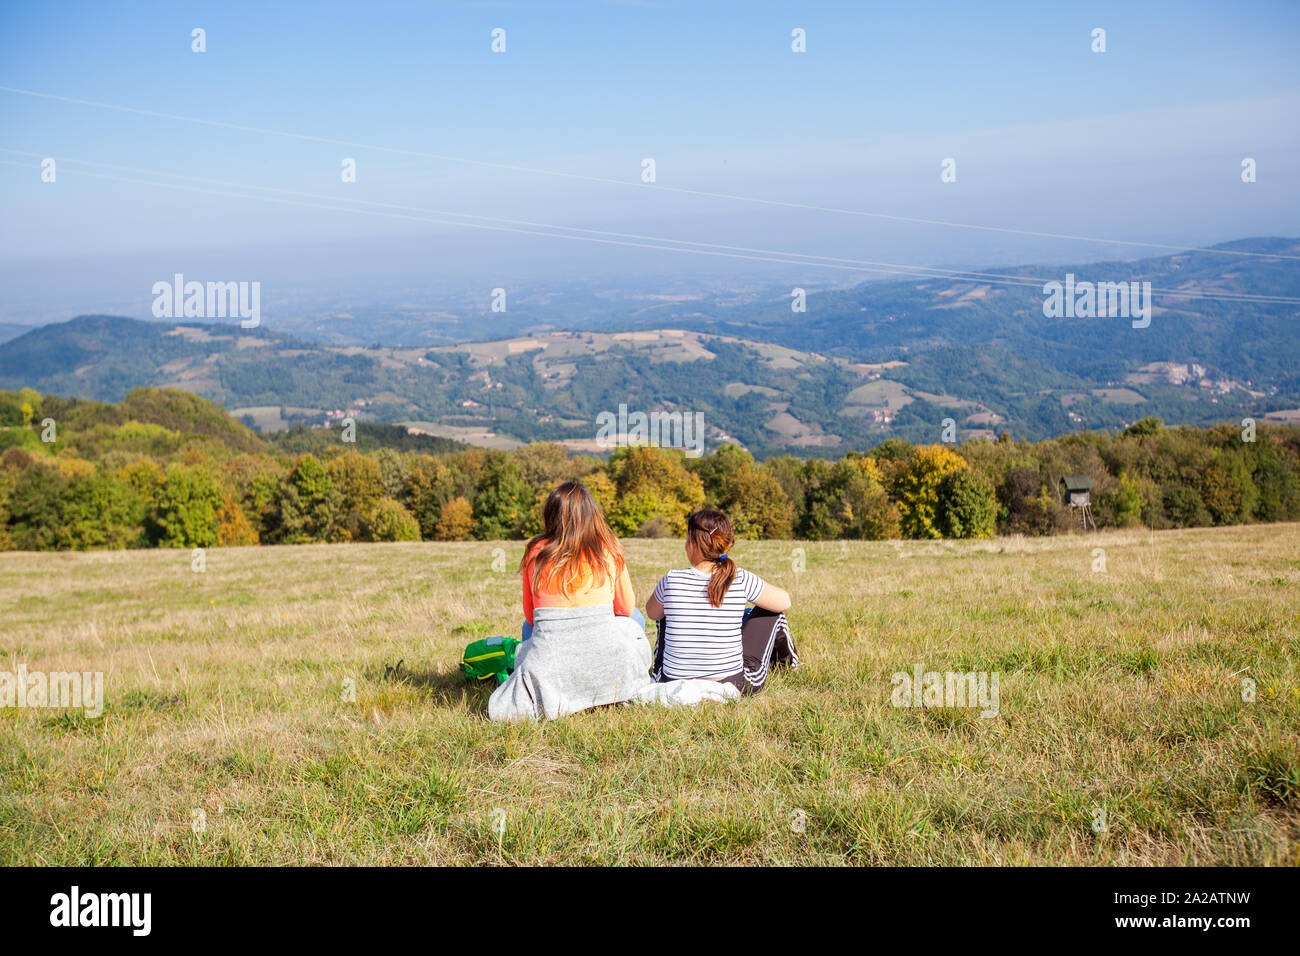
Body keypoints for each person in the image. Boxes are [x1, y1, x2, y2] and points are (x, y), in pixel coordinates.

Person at [488, 480, 651, 721]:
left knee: (528, 627)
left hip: (552, 655)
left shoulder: (536, 551)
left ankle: (564, 681)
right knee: (635, 616)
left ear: (550, 515)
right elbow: (625, 608)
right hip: (608, 657)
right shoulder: (610, 548)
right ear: (591, 514)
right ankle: (605, 679)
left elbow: (532, 616)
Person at [645, 508, 799, 695]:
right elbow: (784, 602)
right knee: (773, 614)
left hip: (671, 680)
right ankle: (790, 666)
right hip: (731, 681)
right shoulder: (739, 578)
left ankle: (675, 670)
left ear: (693, 544)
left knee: (663, 613)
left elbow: (652, 613)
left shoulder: (671, 579)